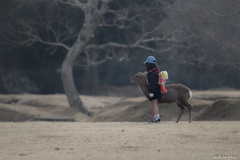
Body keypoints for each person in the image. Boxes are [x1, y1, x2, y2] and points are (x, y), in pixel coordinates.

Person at [144, 56, 162, 123]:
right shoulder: (153, 72)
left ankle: (156, 118)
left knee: (154, 104)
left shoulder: (153, 73)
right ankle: (156, 117)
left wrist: (151, 92)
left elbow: (153, 84)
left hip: (155, 91)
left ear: (149, 64)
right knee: (152, 104)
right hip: (154, 91)